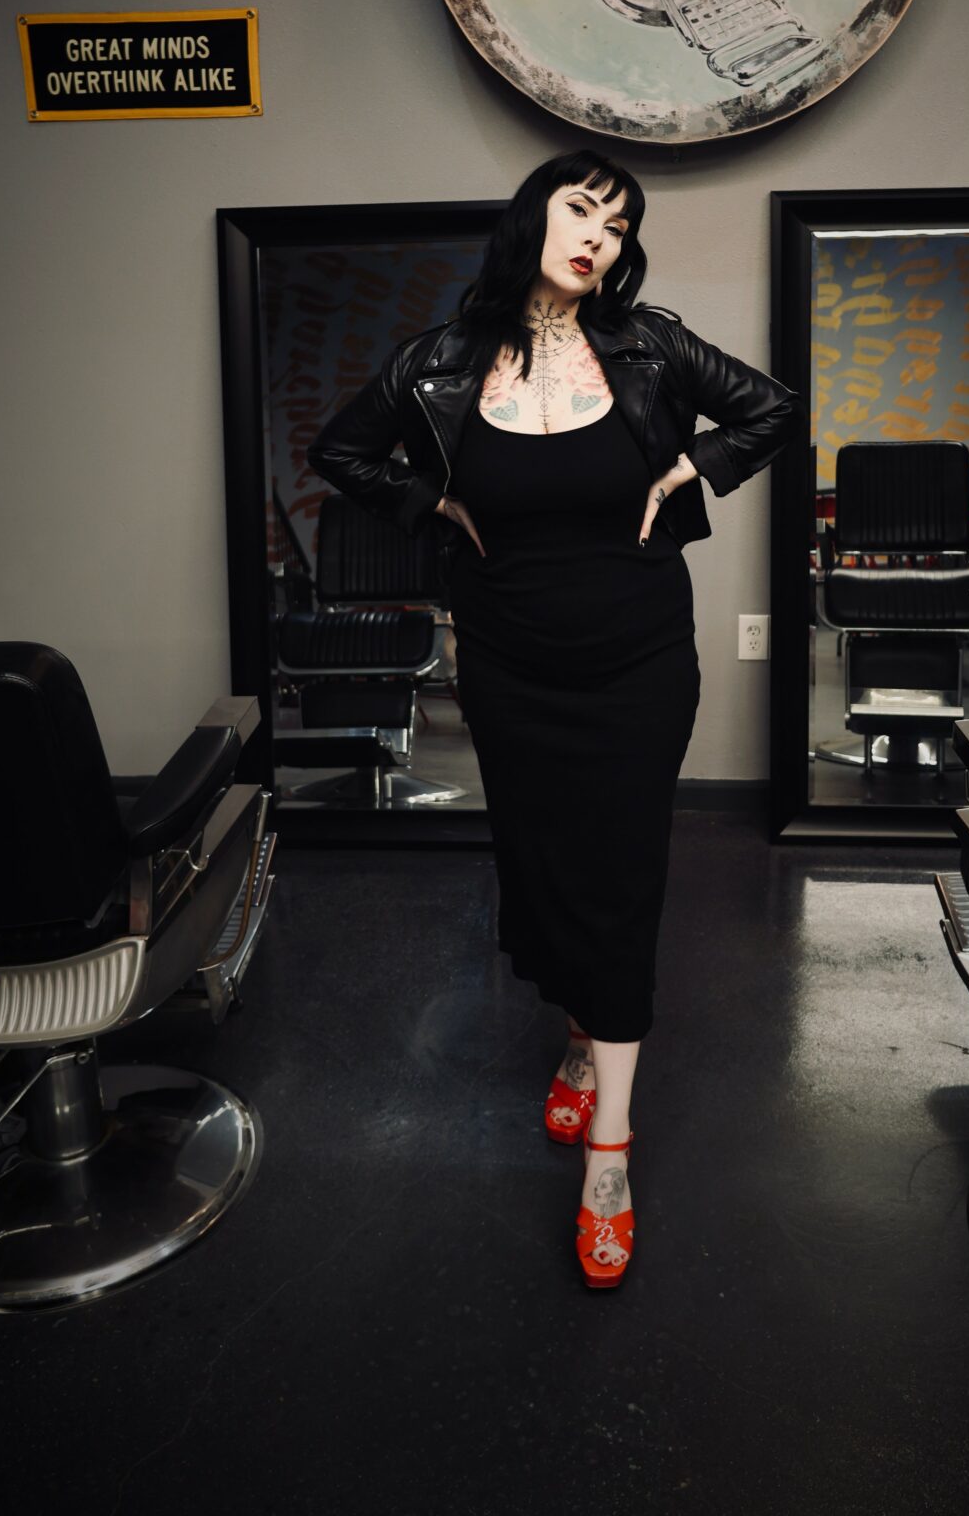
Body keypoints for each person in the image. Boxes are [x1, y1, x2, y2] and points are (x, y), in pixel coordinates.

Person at [307, 150, 799, 1289]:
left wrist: (695, 467)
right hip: (508, 661)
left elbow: (769, 406)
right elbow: (339, 450)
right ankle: (582, 1031)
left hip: (634, 660)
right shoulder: (435, 364)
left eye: (619, 225)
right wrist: (428, 496)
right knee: (539, 865)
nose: (598, 237)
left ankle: (612, 1149)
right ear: (532, 214)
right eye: (582, 209)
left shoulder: (649, 343)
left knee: (621, 874)